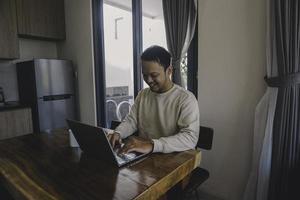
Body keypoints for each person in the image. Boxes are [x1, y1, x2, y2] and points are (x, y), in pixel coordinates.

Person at [108, 45, 199, 154]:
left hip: (173, 160)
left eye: (154, 75)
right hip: (144, 158)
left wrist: (152, 145)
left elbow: (190, 138)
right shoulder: (143, 95)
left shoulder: (186, 99)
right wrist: (118, 133)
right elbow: (131, 121)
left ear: (169, 71)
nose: (149, 80)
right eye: (145, 75)